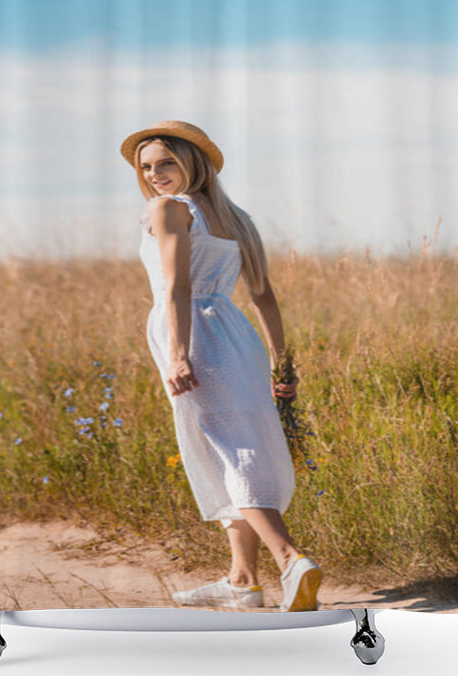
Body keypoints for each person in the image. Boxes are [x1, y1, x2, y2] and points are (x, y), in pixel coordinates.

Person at [120, 119, 322, 612]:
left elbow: (176, 288)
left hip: (196, 337)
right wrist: (281, 363)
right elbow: (262, 296)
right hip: (237, 337)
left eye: (166, 162)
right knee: (235, 447)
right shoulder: (235, 217)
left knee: (228, 452)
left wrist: (177, 353)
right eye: (147, 167)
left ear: (193, 161)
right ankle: (242, 580)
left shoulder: (168, 209)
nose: (155, 175)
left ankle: (290, 559)